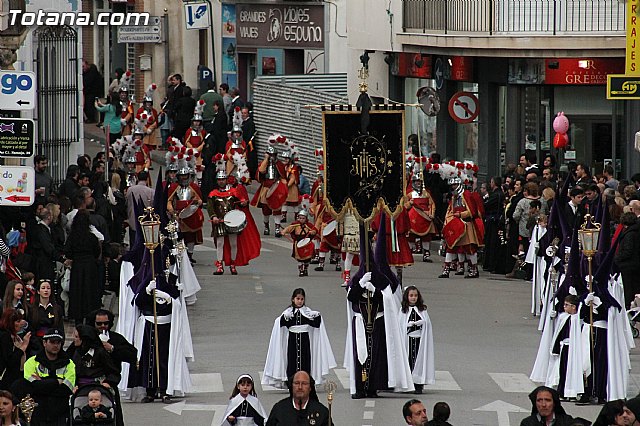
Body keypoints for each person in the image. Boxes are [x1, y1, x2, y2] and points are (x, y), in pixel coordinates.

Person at [345, 217, 414, 399]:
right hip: (361, 322)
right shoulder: (357, 280)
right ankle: (360, 388)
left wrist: (375, 290)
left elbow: (387, 301)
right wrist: (360, 285)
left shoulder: (382, 280)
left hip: (378, 322)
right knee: (360, 355)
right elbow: (351, 298)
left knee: (377, 356)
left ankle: (373, 386)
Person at [263, 288, 336, 388]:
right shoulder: (288, 312)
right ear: (293, 299)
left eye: (302, 299)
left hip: (305, 341)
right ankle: (291, 383)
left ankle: (306, 382)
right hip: (292, 340)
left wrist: (317, 316)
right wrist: (283, 318)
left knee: (305, 362)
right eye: (298, 298)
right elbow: (279, 324)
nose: (300, 301)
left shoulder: (307, 312)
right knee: (292, 361)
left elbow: (316, 324)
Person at [20, 328, 76, 426]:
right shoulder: (31, 362)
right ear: (44, 343)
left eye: (58, 342)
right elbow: (31, 387)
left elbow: (67, 389)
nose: (56, 345)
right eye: (52, 342)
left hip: (60, 413)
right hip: (38, 412)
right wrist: (57, 382)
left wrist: (42, 382)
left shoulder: (69, 363)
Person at [438, 176, 484, 279]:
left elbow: (472, 212)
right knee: (450, 247)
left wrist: (461, 214)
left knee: (469, 249)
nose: (453, 187)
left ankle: (474, 269)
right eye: (452, 185)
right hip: (455, 225)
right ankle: (446, 270)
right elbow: (450, 211)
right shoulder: (454, 197)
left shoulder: (466, 195)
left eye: (455, 185)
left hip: (466, 225)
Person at [64, 210, 101, 324]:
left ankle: (78, 318)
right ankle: (90, 316)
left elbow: (68, 252)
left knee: (77, 292)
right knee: (90, 292)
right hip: (90, 267)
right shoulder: (92, 237)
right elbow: (97, 251)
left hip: (77, 267)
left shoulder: (72, 237)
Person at [399, 286, 435, 394]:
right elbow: (400, 325)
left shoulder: (422, 310)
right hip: (408, 340)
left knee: (419, 362)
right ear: (407, 297)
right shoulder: (402, 310)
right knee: (408, 361)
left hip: (420, 340)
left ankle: (418, 384)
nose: (413, 298)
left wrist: (421, 324)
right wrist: (408, 325)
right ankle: (407, 383)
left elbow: (427, 324)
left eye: (415, 296)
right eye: (411, 295)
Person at [167, 166, 204, 264]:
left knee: (191, 236)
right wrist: (172, 211)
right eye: (182, 176)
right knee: (179, 235)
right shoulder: (174, 187)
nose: (183, 178)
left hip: (191, 215)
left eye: (185, 176)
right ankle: (179, 254)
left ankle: (189, 254)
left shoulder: (194, 187)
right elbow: (169, 201)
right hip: (178, 215)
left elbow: (200, 201)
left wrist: (197, 203)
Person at [265, 370, 330, 426]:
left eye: (304, 383)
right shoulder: (279, 409)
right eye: (296, 383)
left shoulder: (321, 411)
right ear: (291, 386)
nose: (300, 387)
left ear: (310, 388)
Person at [25, 280, 64, 356]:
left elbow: (60, 328)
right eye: (43, 288)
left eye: (48, 288)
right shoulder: (32, 309)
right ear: (38, 291)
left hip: (53, 342)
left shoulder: (57, 308)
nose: (46, 290)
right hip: (36, 344)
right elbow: (30, 329)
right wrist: (38, 345)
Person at [614, 212, 640, 308]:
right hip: (633, 265)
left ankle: (630, 307)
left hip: (628, 266)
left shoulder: (630, 234)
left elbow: (628, 251)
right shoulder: (635, 231)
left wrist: (617, 258)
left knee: (629, 290)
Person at [0, 308, 31, 390]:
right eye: (18, 321)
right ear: (10, 323)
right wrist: (23, 346)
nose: (21, 323)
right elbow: (10, 361)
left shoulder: (15, 337)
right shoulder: (5, 337)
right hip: (5, 380)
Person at [281, 210, 318, 277]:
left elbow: (314, 230)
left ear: (306, 218)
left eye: (303, 218)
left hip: (307, 243)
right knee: (299, 259)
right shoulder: (295, 225)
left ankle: (306, 268)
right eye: (300, 218)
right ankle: (301, 270)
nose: (301, 220)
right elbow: (288, 228)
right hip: (298, 243)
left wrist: (313, 232)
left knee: (307, 259)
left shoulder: (308, 225)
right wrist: (284, 231)